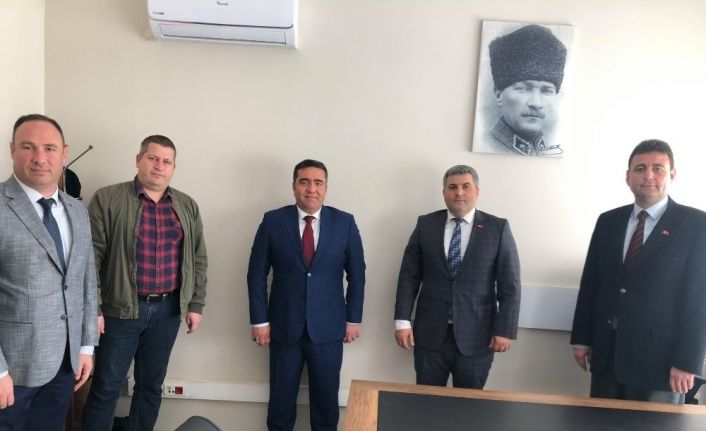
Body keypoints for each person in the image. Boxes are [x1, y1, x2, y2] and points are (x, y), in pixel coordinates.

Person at [82, 135, 208, 430]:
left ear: (173, 167)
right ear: (138, 160)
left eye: (166, 161)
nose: (159, 166)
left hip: (168, 311)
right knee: (106, 386)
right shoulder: (107, 199)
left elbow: (198, 257)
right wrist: (93, 308)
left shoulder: (186, 205)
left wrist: (196, 304)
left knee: (151, 386)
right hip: (119, 312)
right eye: (152, 158)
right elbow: (89, 259)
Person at [571, 139, 706, 404]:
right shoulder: (608, 221)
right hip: (607, 356)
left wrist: (687, 362)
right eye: (640, 168)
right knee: (600, 422)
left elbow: (699, 299)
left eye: (658, 168)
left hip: (661, 363)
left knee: (652, 424)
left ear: (672, 175)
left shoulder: (696, 225)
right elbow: (591, 284)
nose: (648, 175)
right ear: (628, 176)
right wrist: (582, 340)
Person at [247, 159, 365, 431]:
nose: (311, 188)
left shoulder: (345, 223)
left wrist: (353, 319)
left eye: (318, 182)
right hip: (283, 327)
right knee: (280, 404)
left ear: (326, 188)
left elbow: (357, 275)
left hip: (329, 330)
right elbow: (256, 274)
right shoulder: (273, 221)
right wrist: (260, 321)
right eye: (304, 182)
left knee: (326, 406)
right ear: (294, 186)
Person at [0, 114, 98, 430]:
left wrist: (86, 347)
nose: (40, 158)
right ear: (12, 149)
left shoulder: (77, 210)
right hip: (11, 372)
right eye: (28, 147)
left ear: (64, 154)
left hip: (64, 366)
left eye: (50, 148)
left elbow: (86, 281)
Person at [394, 165, 521, 389]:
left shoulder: (497, 228)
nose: (459, 193)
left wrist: (505, 330)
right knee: (427, 402)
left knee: (468, 405)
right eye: (452, 187)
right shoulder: (426, 224)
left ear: (477, 191)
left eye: (466, 186)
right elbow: (409, 277)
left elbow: (509, 285)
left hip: (477, 337)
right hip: (430, 335)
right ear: (444, 192)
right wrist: (402, 322)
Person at [483, 24, 567, 156]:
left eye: (546, 91)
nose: (536, 103)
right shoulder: (486, 145)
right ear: (498, 94)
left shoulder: (549, 151)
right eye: (524, 89)